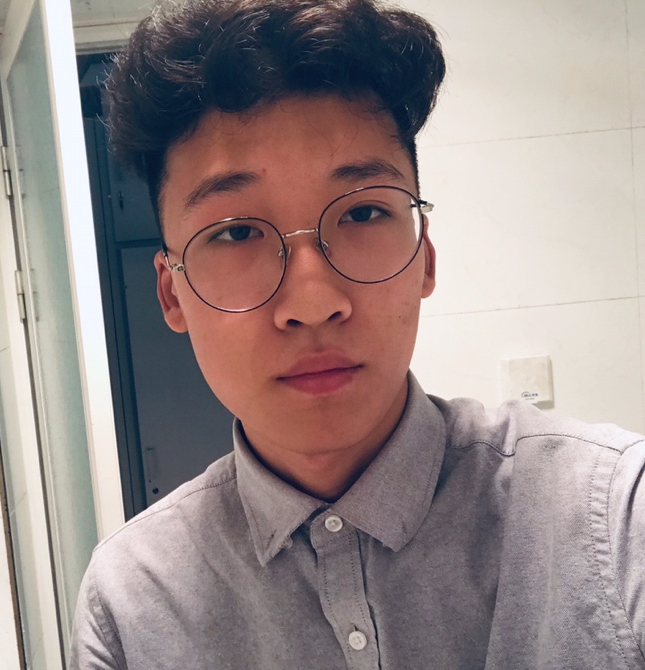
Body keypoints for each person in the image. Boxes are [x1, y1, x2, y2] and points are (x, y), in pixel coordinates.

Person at [70, 0, 645, 668]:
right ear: (173, 293)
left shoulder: (612, 518)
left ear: (424, 255)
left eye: (364, 213)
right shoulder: (131, 606)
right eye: (236, 232)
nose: (313, 303)